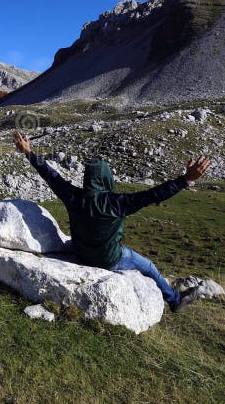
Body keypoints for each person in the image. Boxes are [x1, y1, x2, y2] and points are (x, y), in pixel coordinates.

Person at [13, 131, 211, 313]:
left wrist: (29, 152)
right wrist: (185, 180)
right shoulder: (118, 203)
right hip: (109, 259)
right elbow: (154, 194)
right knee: (149, 267)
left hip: (81, 253)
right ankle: (175, 300)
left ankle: (174, 298)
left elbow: (50, 175)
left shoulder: (72, 196)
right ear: (107, 178)